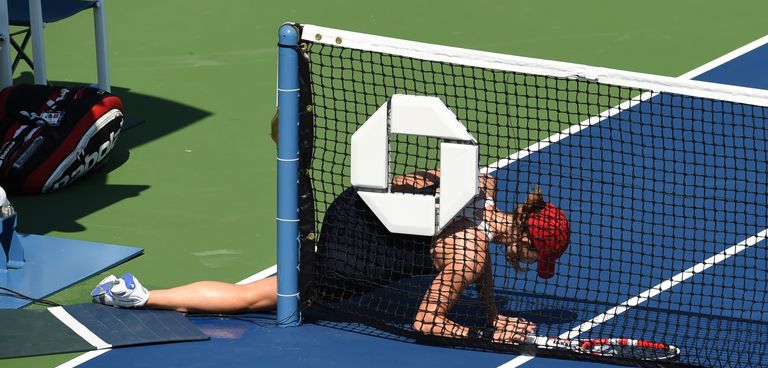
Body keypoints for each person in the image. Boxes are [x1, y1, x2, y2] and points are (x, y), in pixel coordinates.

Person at [92, 170, 569, 344]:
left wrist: (492, 309)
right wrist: (487, 332)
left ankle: (171, 301)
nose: (529, 264)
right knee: (259, 299)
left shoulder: (482, 185)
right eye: (536, 256)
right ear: (527, 239)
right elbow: (427, 324)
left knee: (269, 290)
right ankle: (139, 296)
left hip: (360, 207)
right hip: (355, 259)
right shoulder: (468, 255)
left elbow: (408, 181)